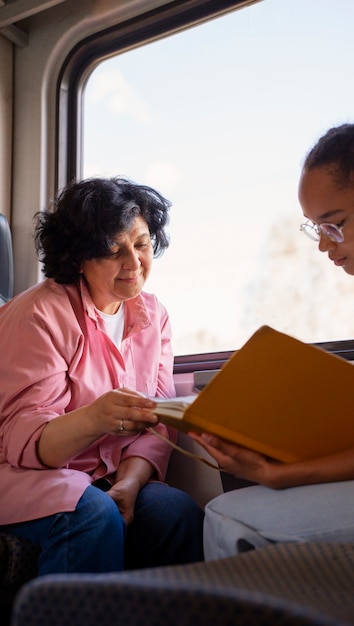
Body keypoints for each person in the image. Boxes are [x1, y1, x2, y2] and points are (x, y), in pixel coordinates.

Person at [190, 121, 354, 560]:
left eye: (333, 226)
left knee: (226, 515)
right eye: (315, 229)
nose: (323, 246)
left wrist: (287, 475)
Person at [0, 176, 204, 574]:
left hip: (105, 475)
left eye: (141, 244)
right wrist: (95, 418)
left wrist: (129, 482)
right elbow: (23, 441)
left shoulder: (153, 315)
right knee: (91, 514)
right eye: (113, 249)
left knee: (176, 512)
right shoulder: (40, 315)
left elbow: (157, 424)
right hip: (22, 473)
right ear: (79, 258)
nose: (133, 262)